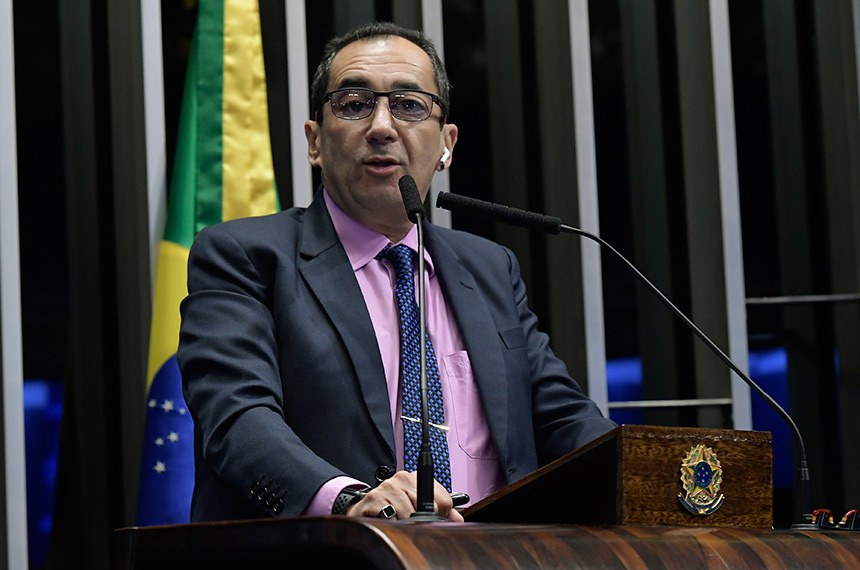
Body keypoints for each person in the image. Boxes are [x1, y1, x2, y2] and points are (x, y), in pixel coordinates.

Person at [177, 21, 616, 523]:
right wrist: (348, 501)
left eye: (409, 105)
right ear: (315, 142)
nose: (382, 126)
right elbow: (236, 420)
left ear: (447, 144)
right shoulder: (245, 256)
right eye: (354, 104)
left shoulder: (490, 269)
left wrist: (656, 474)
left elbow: (565, 420)